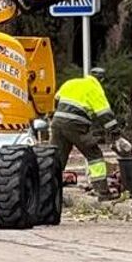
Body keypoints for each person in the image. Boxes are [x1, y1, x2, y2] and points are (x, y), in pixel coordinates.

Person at [50, 68, 120, 198]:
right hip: (75, 125)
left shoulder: (71, 83)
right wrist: (115, 134)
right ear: (102, 80)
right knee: (94, 154)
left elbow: (56, 99)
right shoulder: (95, 89)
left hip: (57, 123)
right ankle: (102, 192)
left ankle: (50, 193)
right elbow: (105, 114)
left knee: (56, 158)